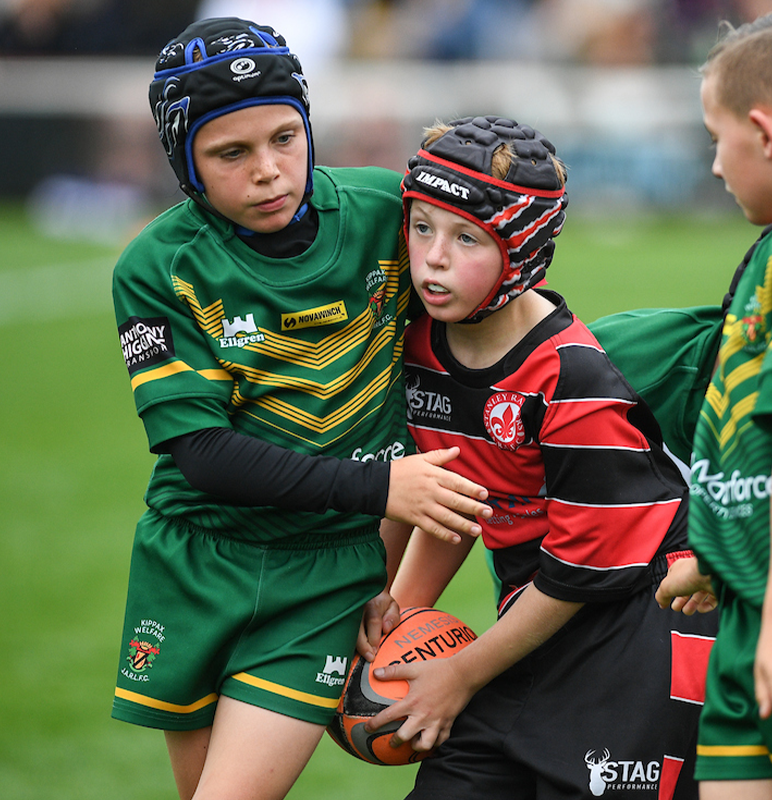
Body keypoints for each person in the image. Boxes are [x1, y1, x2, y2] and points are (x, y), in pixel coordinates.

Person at [109, 17, 492, 800]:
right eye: (231, 153)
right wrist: (380, 489)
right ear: (183, 160)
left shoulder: (384, 214)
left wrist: (389, 570)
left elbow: (472, 348)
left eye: (285, 138)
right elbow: (202, 454)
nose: (269, 171)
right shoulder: (157, 267)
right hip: (192, 560)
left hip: (323, 573)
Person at [363, 115, 718, 799]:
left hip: (639, 627)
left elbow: (586, 569)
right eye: (422, 227)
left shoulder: (573, 378)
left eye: (467, 238)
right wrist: (392, 613)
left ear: (521, 252)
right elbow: (452, 502)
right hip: (533, 618)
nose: (433, 257)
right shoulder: (420, 347)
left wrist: (460, 673)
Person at [655, 10, 772, 799]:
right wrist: (725, 555)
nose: (714, 165)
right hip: (750, 612)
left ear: (766, 133)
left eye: (718, 139)